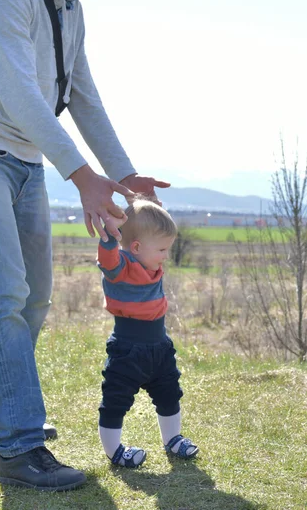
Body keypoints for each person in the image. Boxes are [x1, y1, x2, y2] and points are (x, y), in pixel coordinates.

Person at [0, 0, 170, 492]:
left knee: (35, 297)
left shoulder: (68, 3)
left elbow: (83, 95)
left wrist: (122, 174)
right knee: (4, 294)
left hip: (26, 158)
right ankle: (20, 447)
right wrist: (81, 175)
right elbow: (20, 93)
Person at [97, 198, 199, 468]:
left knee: (169, 394)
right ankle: (115, 451)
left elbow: (145, 221)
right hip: (128, 349)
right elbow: (108, 259)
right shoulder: (121, 269)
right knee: (115, 400)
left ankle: (173, 439)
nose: (166, 255)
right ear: (137, 248)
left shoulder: (152, 265)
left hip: (160, 346)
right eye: (163, 249)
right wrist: (110, 234)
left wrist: (144, 203)